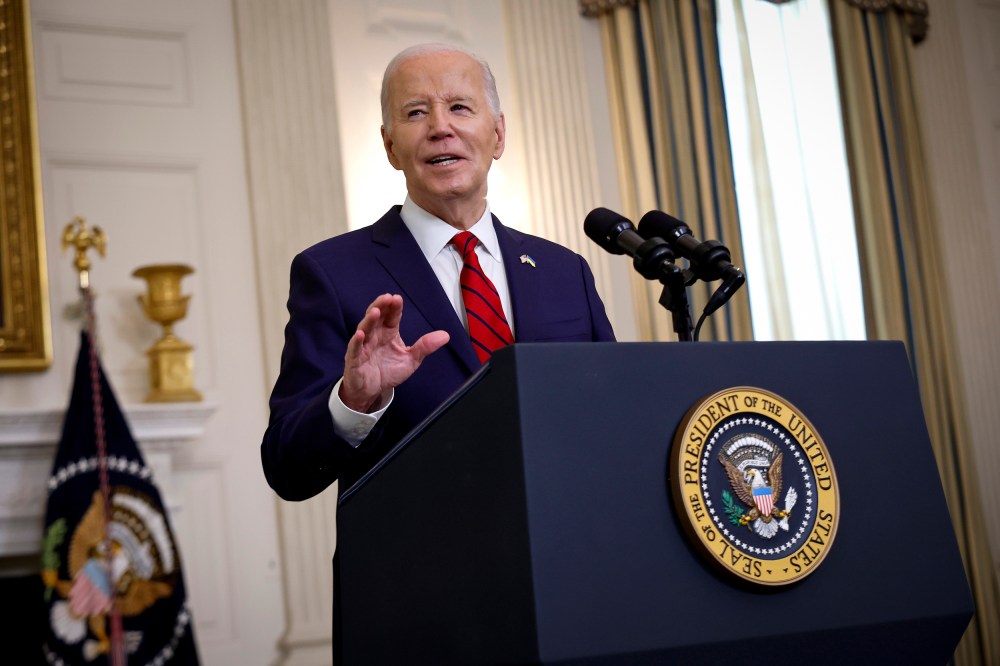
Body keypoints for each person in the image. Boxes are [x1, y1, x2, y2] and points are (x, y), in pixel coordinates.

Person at [261, 43, 615, 503]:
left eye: (460, 107)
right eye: (415, 113)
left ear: (498, 134)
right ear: (390, 146)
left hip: (567, 553)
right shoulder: (331, 273)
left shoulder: (565, 271)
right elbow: (287, 469)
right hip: (419, 565)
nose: (440, 128)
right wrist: (353, 401)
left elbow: (611, 416)